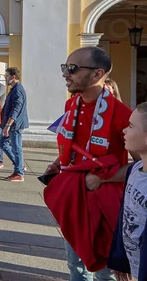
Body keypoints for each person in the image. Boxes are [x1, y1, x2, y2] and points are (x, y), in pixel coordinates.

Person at [42, 47, 139, 281]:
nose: (66, 74)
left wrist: (104, 177)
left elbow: (143, 166)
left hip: (104, 206)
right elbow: (74, 143)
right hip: (74, 198)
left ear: (97, 74)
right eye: (64, 67)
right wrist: (59, 162)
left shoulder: (122, 114)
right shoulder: (71, 106)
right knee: (75, 265)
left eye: (73, 68)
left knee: (105, 271)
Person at [108, 103, 147, 281]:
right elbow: (125, 216)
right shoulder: (134, 170)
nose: (124, 130)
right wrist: (120, 260)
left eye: (130, 126)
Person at [0, 67, 29, 181]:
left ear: (13, 77)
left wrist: (8, 125)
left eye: (7, 76)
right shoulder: (14, 89)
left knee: (16, 148)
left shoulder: (18, 90)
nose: (6, 78)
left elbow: (16, 109)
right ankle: (19, 166)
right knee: (2, 143)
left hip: (15, 125)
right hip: (11, 124)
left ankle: (19, 173)